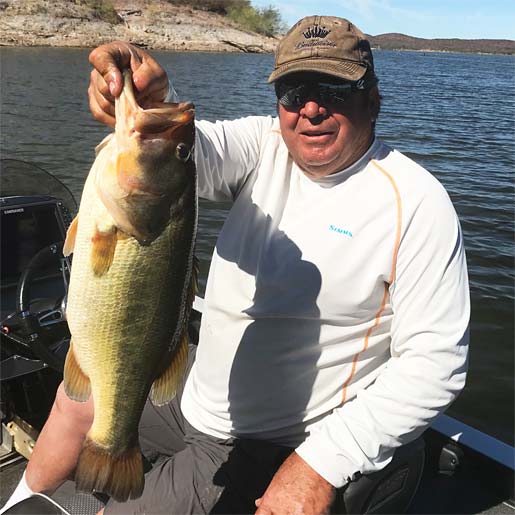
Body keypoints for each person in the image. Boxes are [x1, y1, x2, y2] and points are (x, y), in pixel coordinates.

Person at [1, 15, 470, 515]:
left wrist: (320, 463)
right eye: (294, 91)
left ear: (372, 98)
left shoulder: (417, 203)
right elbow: (185, 153)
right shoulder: (264, 144)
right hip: (194, 395)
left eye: (334, 88)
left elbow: (435, 363)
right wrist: (153, 99)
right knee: (75, 401)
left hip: (258, 441)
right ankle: (20, 500)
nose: (310, 109)